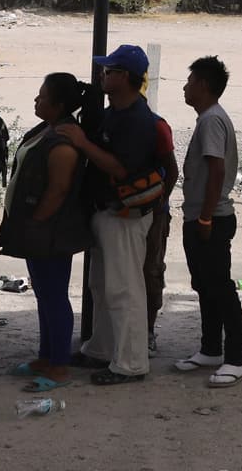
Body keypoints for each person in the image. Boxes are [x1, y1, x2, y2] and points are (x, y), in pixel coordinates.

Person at [57, 44, 161, 386]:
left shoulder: (137, 120)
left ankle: (130, 363)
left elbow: (119, 168)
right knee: (102, 286)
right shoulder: (117, 111)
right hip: (108, 210)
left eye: (110, 71)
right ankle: (102, 349)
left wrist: (82, 142)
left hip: (125, 215)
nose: (103, 75)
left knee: (124, 288)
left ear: (125, 77)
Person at [0, 72, 91, 391]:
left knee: (54, 296)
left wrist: (36, 222)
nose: (36, 100)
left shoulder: (64, 141)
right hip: (36, 229)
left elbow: (58, 190)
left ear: (59, 104)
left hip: (51, 232)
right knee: (43, 294)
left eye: (43, 96)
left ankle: (59, 366)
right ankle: (46, 357)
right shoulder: (47, 129)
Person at [173, 56, 242, 387]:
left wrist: (205, 217)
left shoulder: (212, 120)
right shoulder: (207, 118)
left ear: (203, 85)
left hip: (211, 218)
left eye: (189, 82)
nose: (185, 87)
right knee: (204, 285)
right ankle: (211, 348)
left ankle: (235, 358)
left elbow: (216, 169)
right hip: (200, 215)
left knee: (220, 287)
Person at [144, 115, 179, 354]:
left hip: (154, 214)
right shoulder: (112, 119)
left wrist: (159, 204)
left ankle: (147, 329)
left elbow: (172, 170)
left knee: (151, 270)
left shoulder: (155, 126)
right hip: (131, 213)